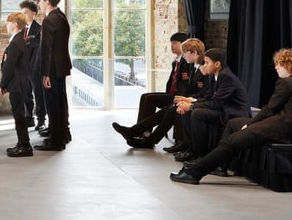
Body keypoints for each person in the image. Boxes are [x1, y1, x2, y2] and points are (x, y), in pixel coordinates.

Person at [171, 48, 292, 185]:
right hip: (279, 124)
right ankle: (220, 166)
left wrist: (252, 124)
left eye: (280, 64)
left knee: (230, 143)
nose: (276, 67)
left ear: (288, 65)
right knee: (233, 123)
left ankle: (193, 173)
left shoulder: (286, 82)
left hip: (279, 127)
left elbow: (270, 109)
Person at [112, 38, 208, 149]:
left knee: (170, 109)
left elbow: (203, 93)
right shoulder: (194, 67)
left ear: (194, 53)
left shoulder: (202, 69)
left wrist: (186, 100)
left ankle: (139, 135)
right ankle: (139, 134)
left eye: (185, 53)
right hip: (189, 99)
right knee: (166, 108)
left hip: (195, 102)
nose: (184, 56)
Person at [173, 48, 251, 163]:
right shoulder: (213, 75)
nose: (204, 65)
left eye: (207, 62)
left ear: (217, 64)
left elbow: (216, 102)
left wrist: (190, 106)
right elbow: (208, 98)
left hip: (233, 113)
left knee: (197, 113)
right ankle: (192, 150)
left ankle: (202, 156)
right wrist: (189, 104)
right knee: (189, 111)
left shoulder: (226, 77)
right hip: (222, 109)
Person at [35, 0, 72, 151]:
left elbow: (47, 49)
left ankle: (56, 141)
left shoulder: (49, 20)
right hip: (61, 66)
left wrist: (45, 74)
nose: (39, 4)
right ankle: (61, 133)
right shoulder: (61, 16)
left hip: (53, 69)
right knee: (60, 102)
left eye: (41, 0)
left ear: (48, 2)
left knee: (53, 105)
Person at [1, 12, 32, 157]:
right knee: (18, 114)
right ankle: (21, 143)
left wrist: (3, 84)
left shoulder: (15, 43)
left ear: (15, 25)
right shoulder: (19, 40)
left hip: (16, 84)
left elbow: (9, 66)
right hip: (19, 83)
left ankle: (25, 145)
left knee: (19, 115)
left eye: (8, 23)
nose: (6, 25)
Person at [20, 0, 44, 130]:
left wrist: (27, 41)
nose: (23, 15)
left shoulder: (39, 29)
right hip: (23, 68)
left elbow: (37, 45)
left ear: (34, 14)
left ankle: (41, 120)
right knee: (25, 94)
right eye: (22, 13)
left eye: (26, 13)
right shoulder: (22, 29)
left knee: (38, 95)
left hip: (35, 68)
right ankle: (29, 118)